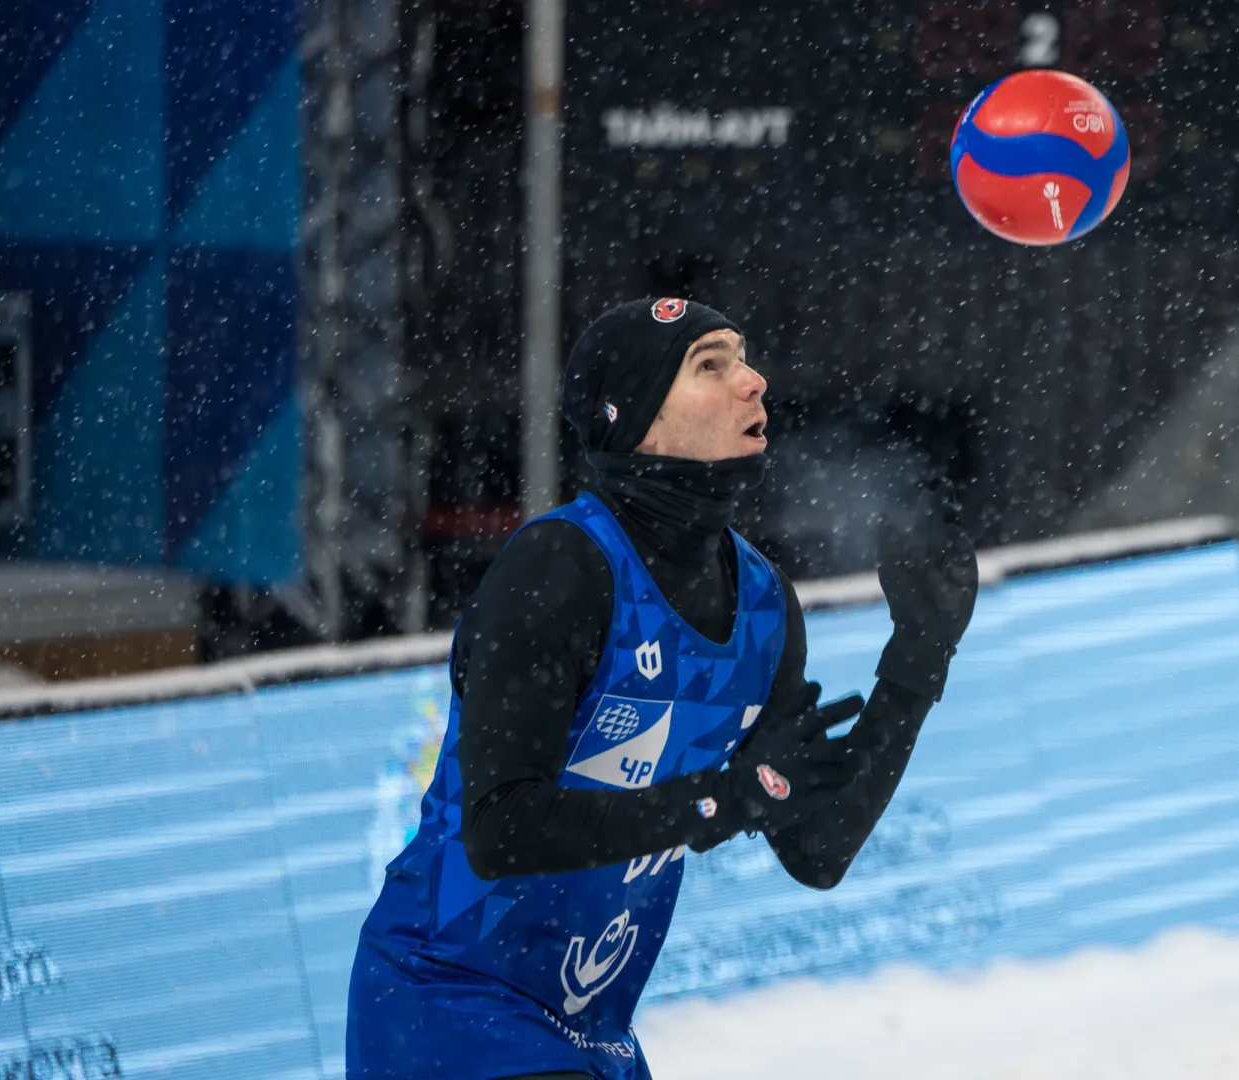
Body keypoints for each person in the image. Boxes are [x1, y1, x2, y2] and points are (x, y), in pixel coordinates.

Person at [346, 297, 979, 1080]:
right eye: (709, 365)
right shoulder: (559, 568)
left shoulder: (762, 600)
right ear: (636, 420)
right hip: (443, 998)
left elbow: (817, 850)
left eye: (742, 358)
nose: (754, 381)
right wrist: (720, 798)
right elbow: (501, 829)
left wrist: (918, 658)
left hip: (592, 1033)